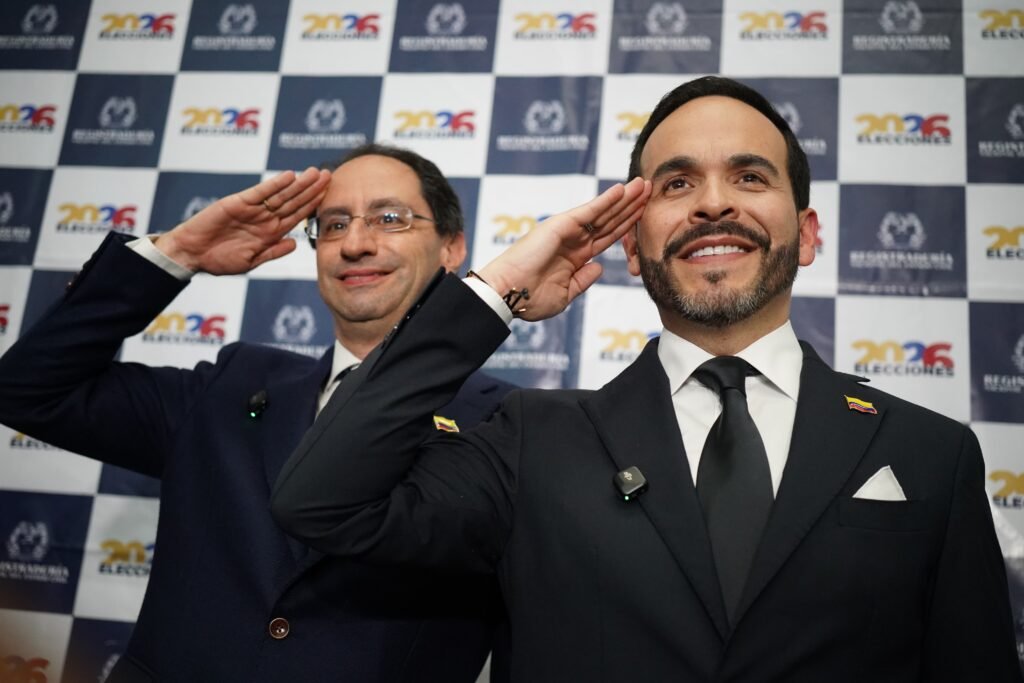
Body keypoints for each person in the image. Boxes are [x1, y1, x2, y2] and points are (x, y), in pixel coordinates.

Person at [271, 77, 1021, 682]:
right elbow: (321, 499)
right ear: (631, 245)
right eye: (676, 183)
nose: (714, 203)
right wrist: (495, 291)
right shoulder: (532, 438)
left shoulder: (931, 452)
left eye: (749, 176)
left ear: (808, 232)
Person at [0, 144, 514, 682]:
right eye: (334, 224)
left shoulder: (505, 426)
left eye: (389, 219)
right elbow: (29, 390)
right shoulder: (233, 383)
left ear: (451, 247)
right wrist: (180, 252)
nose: (355, 244)